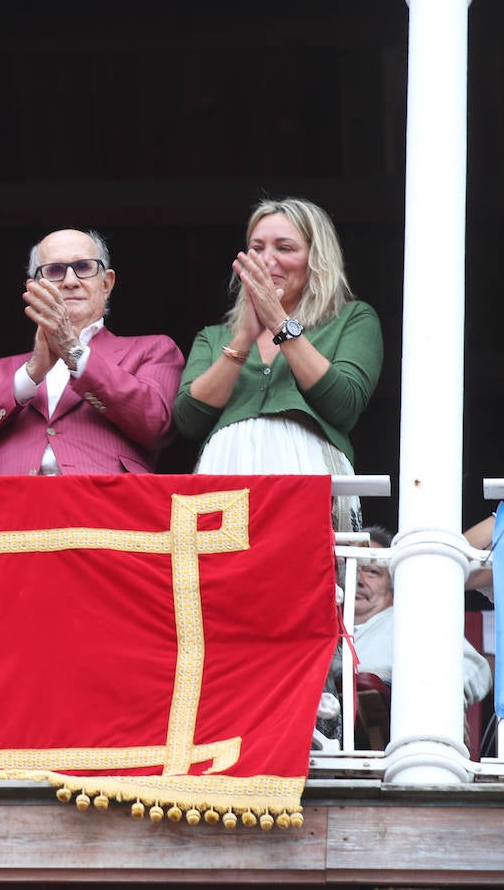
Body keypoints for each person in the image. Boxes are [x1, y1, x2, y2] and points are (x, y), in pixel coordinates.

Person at [173, 198, 383, 530]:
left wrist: (279, 323)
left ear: (316, 259)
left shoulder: (352, 319)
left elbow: (344, 404)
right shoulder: (215, 337)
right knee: (220, 581)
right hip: (223, 478)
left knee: (309, 579)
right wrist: (242, 338)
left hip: (308, 478)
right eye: (257, 248)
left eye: (284, 248)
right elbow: (188, 419)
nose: (268, 259)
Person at [0, 228, 183, 475]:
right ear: (34, 288)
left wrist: (73, 350)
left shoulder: (152, 349)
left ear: (107, 283)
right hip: (13, 505)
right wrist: (31, 374)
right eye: (55, 271)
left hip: (104, 504)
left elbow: (155, 425)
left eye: (84, 267)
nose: (70, 281)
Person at [335, 526, 491, 706]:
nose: (359, 579)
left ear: (393, 587)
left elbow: (473, 667)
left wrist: (447, 708)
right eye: (353, 568)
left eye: (372, 572)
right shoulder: (321, 626)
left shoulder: (409, 620)